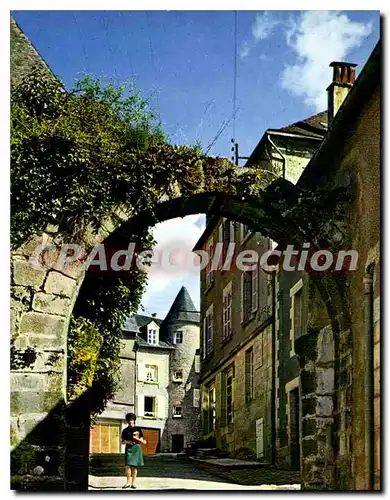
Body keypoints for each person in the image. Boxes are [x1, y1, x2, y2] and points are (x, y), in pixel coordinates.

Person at [121, 413, 146, 489]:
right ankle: (128, 482)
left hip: (136, 448)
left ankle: (133, 483)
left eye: (131, 420)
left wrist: (138, 439)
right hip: (129, 448)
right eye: (129, 420)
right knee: (127, 465)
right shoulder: (125, 430)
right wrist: (128, 442)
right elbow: (122, 441)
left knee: (134, 467)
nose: (130, 421)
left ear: (134, 420)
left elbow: (142, 439)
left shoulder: (138, 429)